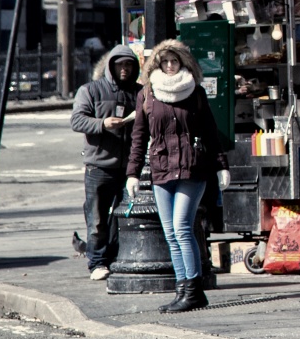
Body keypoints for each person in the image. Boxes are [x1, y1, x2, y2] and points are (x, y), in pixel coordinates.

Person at [127, 40, 228, 313]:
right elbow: (139, 137)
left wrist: (222, 166)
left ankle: (194, 290)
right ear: (157, 64)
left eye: (175, 61)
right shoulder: (147, 94)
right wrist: (132, 174)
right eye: (165, 61)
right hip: (161, 168)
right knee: (170, 233)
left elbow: (210, 131)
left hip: (192, 168)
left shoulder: (195, 92)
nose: (170, 66)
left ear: (183, 62)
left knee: (183, 229)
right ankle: (182, 289)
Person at [70, 44, 142, 281]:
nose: (125, 69)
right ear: (111, 66)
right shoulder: (90, 90)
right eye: (121, 64)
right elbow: (77, 120)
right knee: (97, 218)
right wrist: (102, 124)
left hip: (129, 167)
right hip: (99, 165)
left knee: (123, 217)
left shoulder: (139, 93)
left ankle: (115, 257)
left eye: (129, 64)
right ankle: (97, 262)